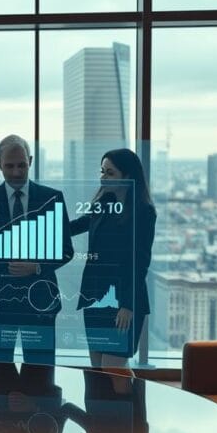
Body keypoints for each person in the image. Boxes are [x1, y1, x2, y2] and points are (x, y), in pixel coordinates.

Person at [0, 135, 73, 365]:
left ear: (31, 161)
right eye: (9, 166)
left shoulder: (53, 199)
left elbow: (67, 250)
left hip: (39, 305)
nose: (16, 172)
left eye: (21, 165)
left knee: (41, 382)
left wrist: (36, 267)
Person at [67, 148, 156, 369]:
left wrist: (127, 305)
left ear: (127, 176)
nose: (103, 177)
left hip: (123, 302)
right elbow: (77, 226)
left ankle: (133, 404)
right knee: (99, 368)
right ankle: (113, 405)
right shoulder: (103, 204)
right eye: (102, 171)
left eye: (110, 172)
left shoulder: (143, 211)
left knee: (112, 368)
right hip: (97, 297)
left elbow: (140, 262)